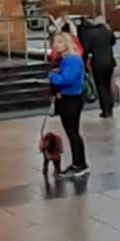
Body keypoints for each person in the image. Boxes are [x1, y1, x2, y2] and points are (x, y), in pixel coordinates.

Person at [48, 31, 89, 178]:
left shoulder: (72, 59)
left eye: (60, 42)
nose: (56, 45)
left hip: (72, 99)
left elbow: (66, 79)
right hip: (67, 98)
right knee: (72, 132)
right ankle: (77, 162)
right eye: (55, 42)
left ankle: (80, 164)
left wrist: (52, 76)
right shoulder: (66, 59)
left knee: (73, 133)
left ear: (67, 43)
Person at [85, 16, 117, 117]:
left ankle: (105, 109)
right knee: (108, 85)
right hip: (109, 62)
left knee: (101, 86)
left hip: (97, 63)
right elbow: (113, 42)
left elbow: (87, 48)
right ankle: (110, 106)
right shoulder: (109, 32)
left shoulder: (90, 33)